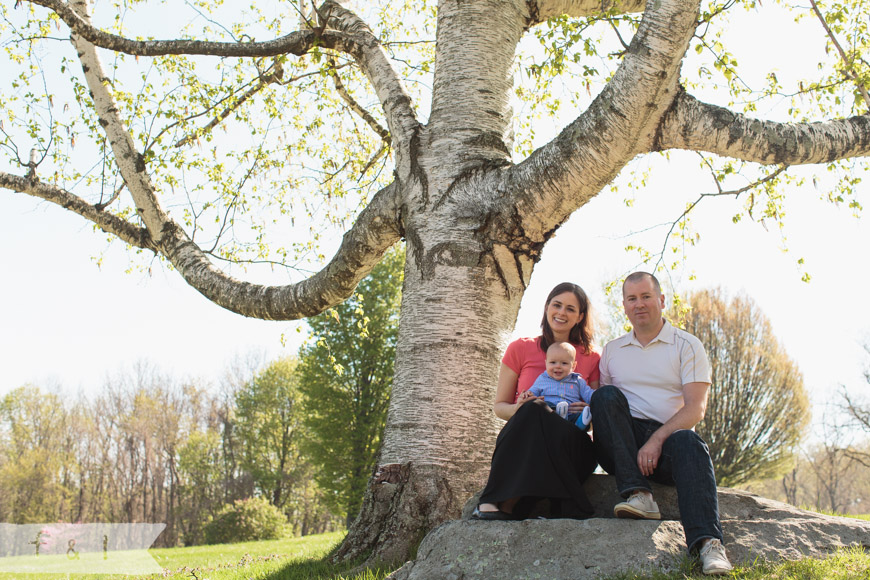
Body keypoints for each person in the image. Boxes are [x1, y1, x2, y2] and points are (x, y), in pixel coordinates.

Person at [591, 272, 733, 575]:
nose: (639, 304)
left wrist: (656, 440)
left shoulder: (687, 345)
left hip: (668, 443)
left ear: (661, 300)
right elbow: (605, 411)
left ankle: (709, 544)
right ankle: (639, 495)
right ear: (624, 306)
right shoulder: (613, 350)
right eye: (632, 299)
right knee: (603, 396)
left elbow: (696, 408)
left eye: (646, 297)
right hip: (622, 445)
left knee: (690, 441)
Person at [472, 282, 599, 521]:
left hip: (571, 443)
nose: (562, 313)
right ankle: (498, 503)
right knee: (533, 409)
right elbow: (500, 406)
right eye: (557, 305)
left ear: (580, 316)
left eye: (570, 309)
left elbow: (597, 412)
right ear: (547, 307)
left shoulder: (592, 357)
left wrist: (589, 410)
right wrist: (520, 409)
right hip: (530, 437)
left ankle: (504, 502)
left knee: (537, 412)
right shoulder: (520, 348)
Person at [527, 341, 594, 429]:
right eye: (553, 362)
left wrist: (598, 397)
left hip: (571, 414)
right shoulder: (543, 379)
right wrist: (529, 394)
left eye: (564, 363)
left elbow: (589, 394)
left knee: (579, 415)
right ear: (546, 363)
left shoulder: (577, 380)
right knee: (543, 405)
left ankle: (580, 423)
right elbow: (533, 391)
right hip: (550, 413)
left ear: (573, 366)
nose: (558, 366)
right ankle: (560, 415)